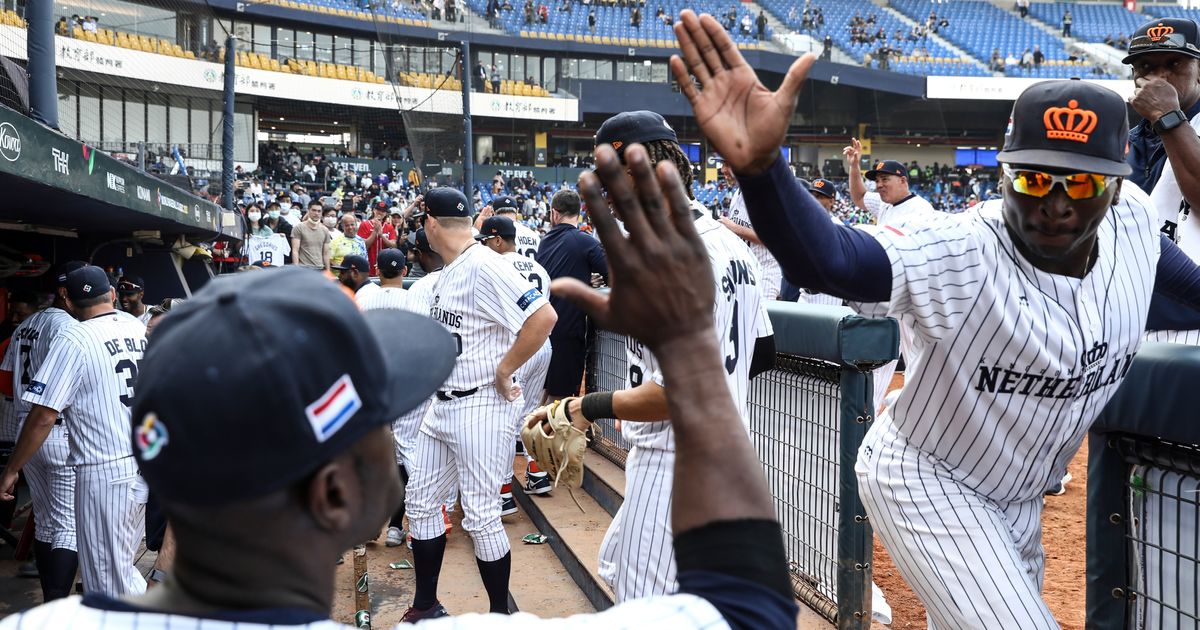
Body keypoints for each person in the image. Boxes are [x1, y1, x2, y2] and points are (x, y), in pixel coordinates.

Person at [0, 146, 802, 630]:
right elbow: (748, 608)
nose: (392, 431)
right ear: (335, 495)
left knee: (478, 514)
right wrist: (693, 349)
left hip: (481, 411)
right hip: (509, 413)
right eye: (377, 418)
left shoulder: (39, 621)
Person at [667, 10, 1200, 626]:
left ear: (1117, 187)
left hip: (1019, 496)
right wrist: (764, 173)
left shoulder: (1135, 225)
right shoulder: (962, 247)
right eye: (1031, 177)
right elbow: (833, 261)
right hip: (929, 477)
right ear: (1002, 173)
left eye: (1080, 185)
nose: (1053, 205)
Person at [544, 110, 773, 602]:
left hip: (676, 462)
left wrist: (582, 407)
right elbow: (763, 351)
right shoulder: (731, 245)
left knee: (645, 604)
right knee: (619, 561)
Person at [401, 187, 557, 621]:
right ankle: (426, 604)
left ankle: (497, 616)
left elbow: (543, 317)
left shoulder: (485, 265)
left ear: (432, 223)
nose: (421, 230)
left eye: (421, 223)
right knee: (420, 502)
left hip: (482, 406)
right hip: (442, 406)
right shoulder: (449, 270)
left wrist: (506, 369)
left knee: (482, 516)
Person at [0, 266, 149, 597]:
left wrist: (11, 468)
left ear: (69, 299)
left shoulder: (75, 336)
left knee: (106, 578)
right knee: (119, 568)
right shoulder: (135, 327)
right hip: (143, 459)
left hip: (104, 468)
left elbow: (43, 415)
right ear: (111, 295)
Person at [0, 262, 84, 601]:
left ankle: (52, 601)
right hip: (56, 429)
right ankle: (57, 602)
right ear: (65, 293)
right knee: (67, 527)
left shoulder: (25, 326)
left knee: (47, 522)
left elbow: (7, 382)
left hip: (26, 433)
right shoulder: (67, 327)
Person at [476, 216, 555, 501]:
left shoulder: (495, 265)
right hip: (543, 346)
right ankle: (538, 473)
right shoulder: (539, 268)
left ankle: (504, 491)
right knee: (530, 412)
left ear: (498, 240)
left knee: (506, 421)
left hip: (518, 348)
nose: (483, 247)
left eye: (486, 241)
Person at [536, 188, 608, 402]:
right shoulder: (586, 242)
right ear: (579, 213)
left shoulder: (545, 241)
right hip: (567, 333)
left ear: (554, 214)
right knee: (562, 399)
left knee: (543, 394)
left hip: (540, 330)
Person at [719, 161, 782, 300]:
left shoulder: (764, 194)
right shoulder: (737, 193)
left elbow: (773, 239)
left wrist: (733, 228)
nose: (723, 170)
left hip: (765, 274)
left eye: (727, 164)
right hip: (743, 272)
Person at [842, 140, 936, 226]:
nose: (879, 185)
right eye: (877, 181)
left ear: (902, 181)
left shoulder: (920, 209)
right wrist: (854, 166)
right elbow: (859, 197)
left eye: (884, 179)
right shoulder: (884, 203)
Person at [359, 201, 398, 276]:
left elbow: (394, 246)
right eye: (378, 210)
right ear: (374, 210)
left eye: (383, 211)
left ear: (386, 213)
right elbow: (363, 247)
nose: (380, 212)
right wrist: (375, 232)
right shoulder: (365, 224)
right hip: (368, 266)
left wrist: (382, 236)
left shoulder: (389, 227)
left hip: (385, 267)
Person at [291, 201, 332, 270]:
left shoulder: (325, 230)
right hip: (303, 268)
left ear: (321, 213)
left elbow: (326, 253)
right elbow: (295, 251)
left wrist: (328, 271)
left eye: (319, 211)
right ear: (308, 211)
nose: (316, 213)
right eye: (314, 210)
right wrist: (296, 269)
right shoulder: (298, 227)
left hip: (320, 268)